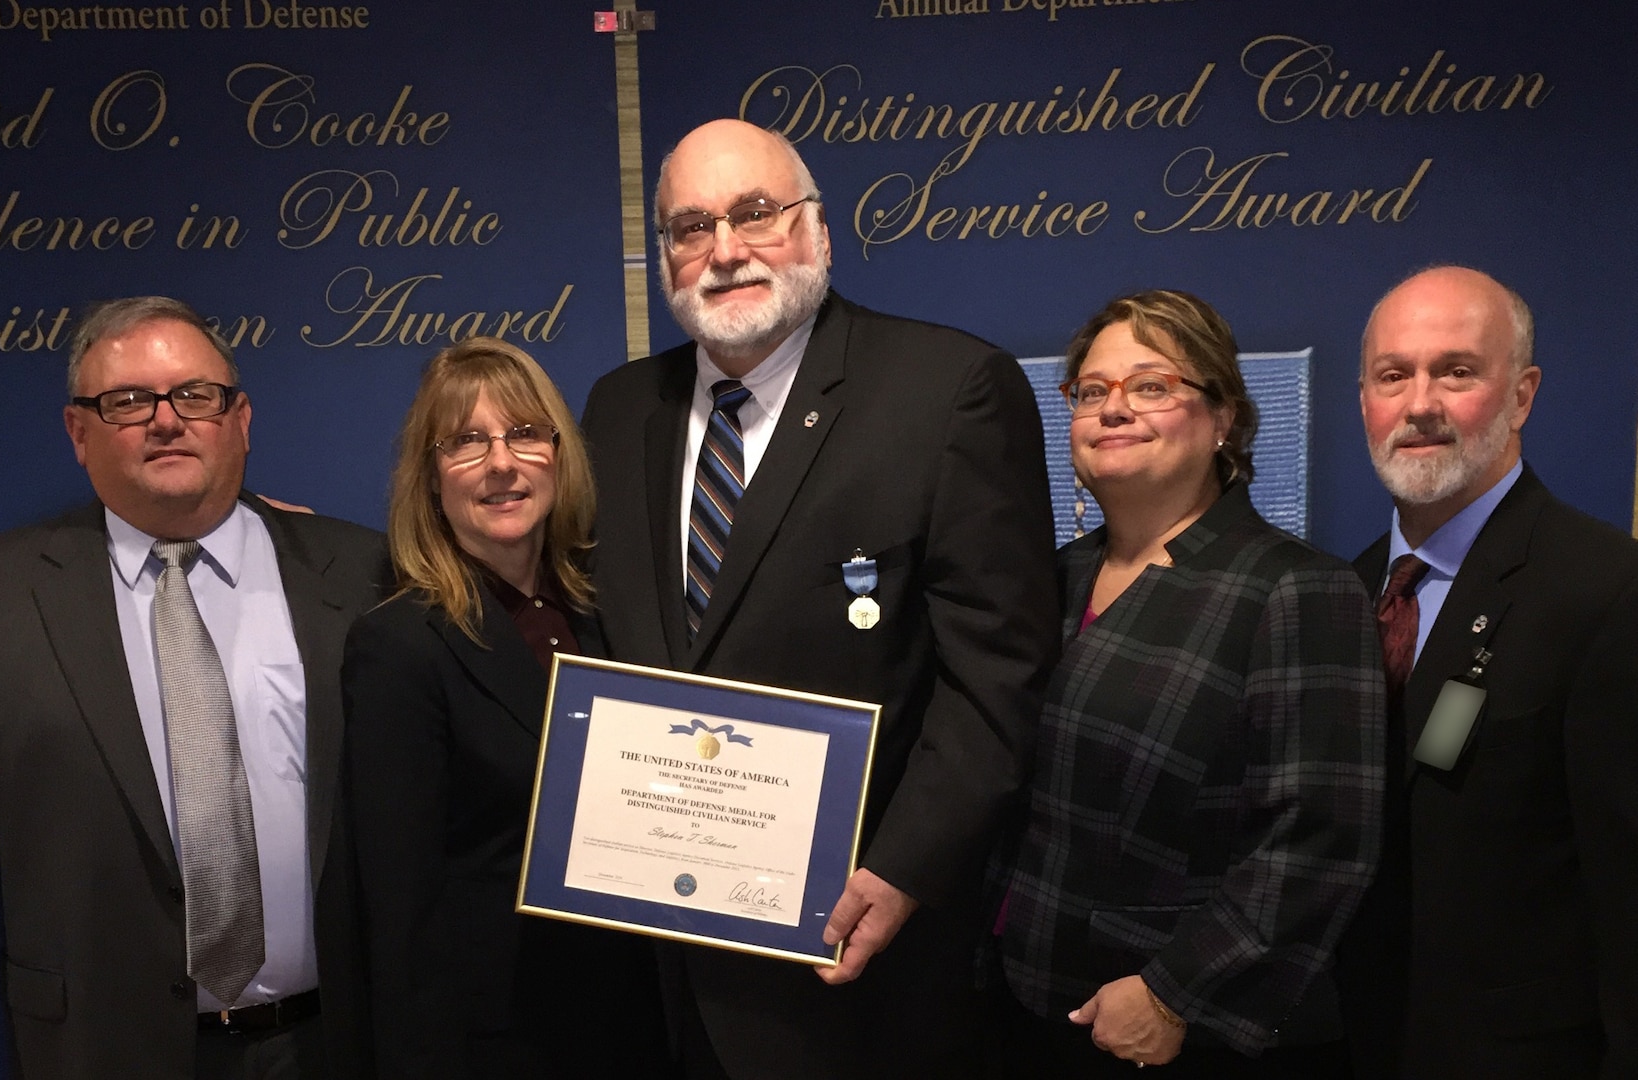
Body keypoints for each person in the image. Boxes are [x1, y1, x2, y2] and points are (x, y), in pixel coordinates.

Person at [579, 117, 1059, 1078]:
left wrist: (904, 870)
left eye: (756, 213)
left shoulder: (949, 390)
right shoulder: (619, 406)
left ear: (819, 230)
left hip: (858, 959)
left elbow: (998, 676)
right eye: (689, 227)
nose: (724, 251)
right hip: (658, 958)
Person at [0, 296, 390, 1080]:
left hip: (333, 1045)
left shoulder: (366, 573)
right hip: (95, 1052)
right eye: (128, 401)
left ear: (240, 419)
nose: (166, 421)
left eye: (195, 396)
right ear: (79, 433)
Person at [994, 290, 1386, 1077]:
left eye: (1151, 386)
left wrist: (1177, 993)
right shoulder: (1048, 580)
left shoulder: (1294, 589)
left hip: (1176, 1034)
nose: (1115, 410)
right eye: (1093, 391)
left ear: (1224, 421)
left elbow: (1318, 843)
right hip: (1022, 1008)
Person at [1334, 266, 1638, 1079]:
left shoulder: (1608, 590)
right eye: (1393, 375)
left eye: (1457, 371)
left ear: (1523, 395)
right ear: (1363, 399)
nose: (1420, 403)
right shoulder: (1340, 595)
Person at [341, 338, 669, 1079]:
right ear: (430, 477)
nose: (500, 463)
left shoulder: (611, 615)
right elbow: (400, 912)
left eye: (524, 433)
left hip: (640, 1025)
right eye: (464, 442)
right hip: (498, 1044)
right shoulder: (398, 646)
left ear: (560, 452)